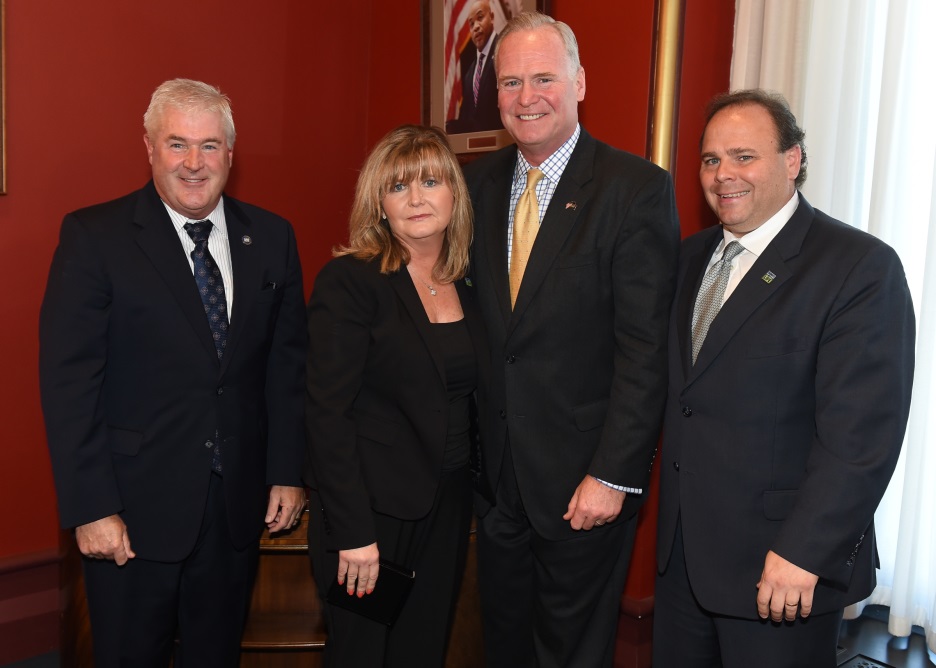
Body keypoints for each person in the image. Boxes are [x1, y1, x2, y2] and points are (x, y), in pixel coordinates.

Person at [39, 78, 308, 668]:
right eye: (178, 144)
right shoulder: (94, 238)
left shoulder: (271, 237)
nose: (194, 163)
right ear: (149, 146)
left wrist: (287, 471)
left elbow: (285, 369)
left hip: (234, 509)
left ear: (231, 155)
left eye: (210, 146)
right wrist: (90, 507)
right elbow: (69, 384)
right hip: (132, 514)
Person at [653, 89, 915, 668]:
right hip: (683, 566)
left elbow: (861, 437)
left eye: (744, 156)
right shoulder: (688, 258)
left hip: (781, 572)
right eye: (711, 159)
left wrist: (805, 553)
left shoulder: (858, 267)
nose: (724, 175)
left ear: (792, 160)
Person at [463, 12, 680, 667]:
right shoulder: (473, 185)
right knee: (501, 647)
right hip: (497, 484)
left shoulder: (635, 189)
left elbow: (645, 351)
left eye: (543, 78)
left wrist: (613, 475)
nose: (526, 97)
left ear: (580, 82)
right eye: (509, 83)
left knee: (569, 655)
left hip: (585, 489)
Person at [305, 124, 488, 667]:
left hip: (448, 508)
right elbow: (326, 415)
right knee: (363, 655)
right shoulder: (352, 282)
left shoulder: (471, 282)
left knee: (420, 652)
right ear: (379, 203)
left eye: (430, 181)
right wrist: (354, 533)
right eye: (399, 186)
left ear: (453, 194)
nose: (416, 198)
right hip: (373, 515)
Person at [446, 0, 503, 134]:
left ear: (492, 17)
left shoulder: (504, 52)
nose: (476, 27)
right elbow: (468, 115)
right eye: (471, 24)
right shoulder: (469, 73)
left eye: (480, 17)